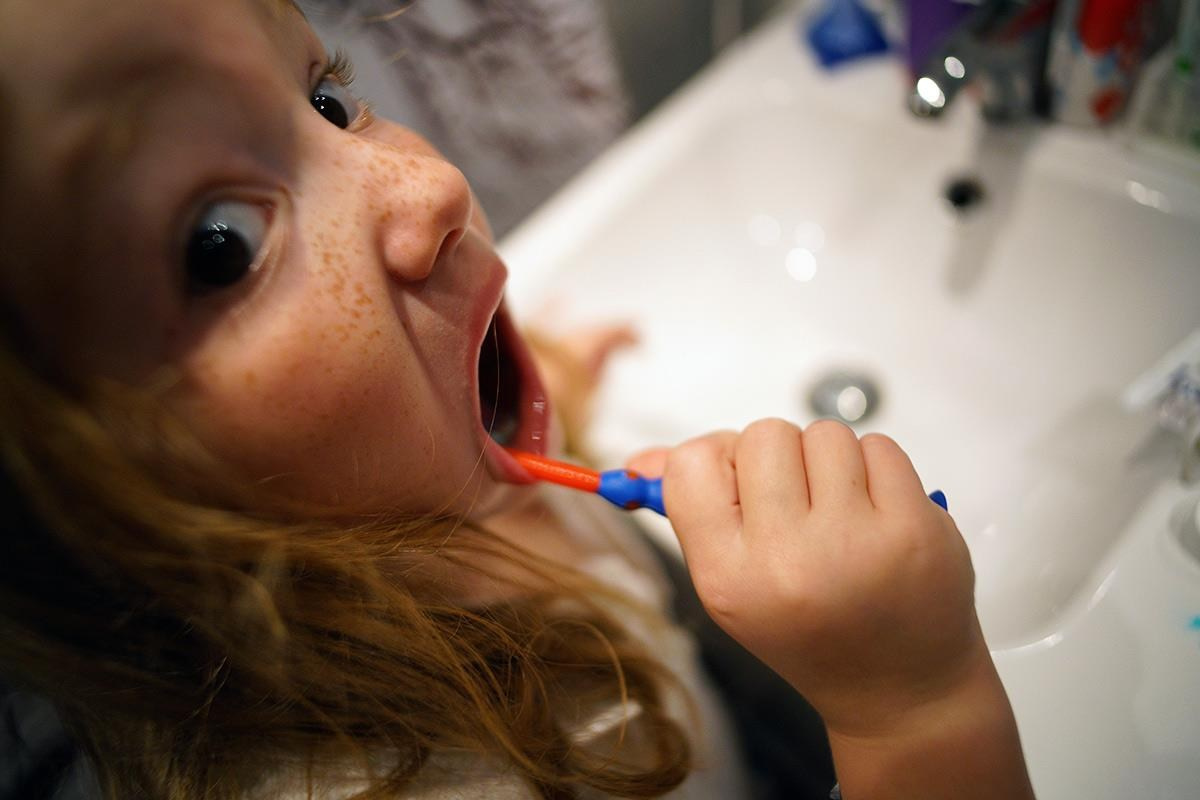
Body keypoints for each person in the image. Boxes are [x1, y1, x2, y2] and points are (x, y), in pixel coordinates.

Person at [0, 1, 1036, 798]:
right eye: (220, 244)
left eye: (326, 100)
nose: (430, 188)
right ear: (75, 510)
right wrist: (916, 714)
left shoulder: (402, 477)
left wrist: (553, 383)